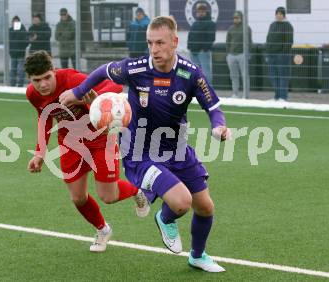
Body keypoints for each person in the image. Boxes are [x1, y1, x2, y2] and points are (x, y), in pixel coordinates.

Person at [59, 16, 230, 272]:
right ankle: (165, 217)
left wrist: (218, 126)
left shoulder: (190, 73)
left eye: (160, 43)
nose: (154, 49)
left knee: (205, 207)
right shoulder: (136, 68)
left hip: (177, 148)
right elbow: (103, 71)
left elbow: (213, 106)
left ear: (174, 41)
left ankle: (197, 255)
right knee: (181, 202)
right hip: (140, 153)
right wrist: (78, 92)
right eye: (150, 43)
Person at [24, 50, 150, 252]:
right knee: (78, 198)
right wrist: (40, 152)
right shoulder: (33, 94)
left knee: (108, 196)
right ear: (30, 80)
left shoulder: (73, 79)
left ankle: (136, 191)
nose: (43, 85)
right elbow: (45, 117)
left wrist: (82, 95)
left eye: (47, 77)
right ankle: (102, 230)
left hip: (100, 138)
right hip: (70, 143)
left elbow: (115, 85)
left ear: (54, 71)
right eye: (37, 80)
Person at [265, 6, 294, 101]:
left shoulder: (288, 25)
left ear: (284, 15)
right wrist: (267, 53)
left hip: (282, 56)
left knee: (283, 77)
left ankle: (283, 97)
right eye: (277, 14)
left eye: (280, 14)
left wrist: (283, 53)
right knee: (274, 77)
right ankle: (276, 96)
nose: (278, 15)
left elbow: (289, 41)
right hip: (271, 55)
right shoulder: (272, 25)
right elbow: (268, 39)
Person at [226, 11, 252, 98]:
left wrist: (248, 53)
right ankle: (235, 93)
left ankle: (245, 94)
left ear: (241, 18)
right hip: (231, 55)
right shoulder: (230, 28)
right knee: (233, 76)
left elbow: (249, 42)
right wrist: (228, 53)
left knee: (244, 75)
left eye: (237, 18)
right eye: (234, 18)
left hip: (242, 54)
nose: (235, 19)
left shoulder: (246, 28)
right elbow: (228, 41)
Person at [187, 3, 216, 83]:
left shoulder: (210, 23)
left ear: (206, 12)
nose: (200, 13)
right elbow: (190, 36)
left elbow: (211, 38)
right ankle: (198, 90)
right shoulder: (195, 23)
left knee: (206, 72)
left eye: (202, 11)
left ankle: (208, 90)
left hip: (203, 52)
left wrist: (204, 49)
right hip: (193, 52)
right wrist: (189, 47)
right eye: (199, 11)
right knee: (195, 73)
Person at [9, 16, 28, 87]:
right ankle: (12, 84)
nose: (15, 23)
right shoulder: (10, 30)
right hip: (12, 54)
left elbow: (26, 42)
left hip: (21, 54)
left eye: (17, 22)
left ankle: (20, 85)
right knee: (13, 70)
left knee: (20, 71)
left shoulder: (23, 30)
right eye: (14, 22)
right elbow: (8, 43)